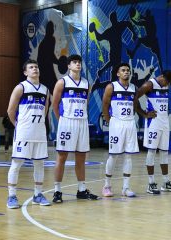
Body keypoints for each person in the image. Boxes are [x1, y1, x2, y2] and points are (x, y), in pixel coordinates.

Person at [52, 54, 98, 202]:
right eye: (74, 62)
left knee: (81, 158)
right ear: (68, 65)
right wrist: (62, 120)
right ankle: (57, 191)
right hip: (67, 122)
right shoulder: (62, 82)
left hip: (82, 122)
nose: (77, 64)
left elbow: (86, 103)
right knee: (62, 156)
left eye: (79, 62)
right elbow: (55, 104)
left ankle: (81, 189)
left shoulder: (86, 83)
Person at [6, 59, 50, 208]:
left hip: (39, 132)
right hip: (24, 132)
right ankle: (12, 196)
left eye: (36, 67)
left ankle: (38, 194)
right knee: (17, 163)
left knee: (39, 163)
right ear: (25, 72)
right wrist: (17, 125)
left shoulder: (45, 89)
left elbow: (45, 112)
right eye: (31, 67)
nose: (35, 69)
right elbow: (10, 110)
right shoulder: (21, 87)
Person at [134, 70, 171, 194]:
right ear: (162, 77)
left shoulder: (165, 84)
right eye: (167, 81)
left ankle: (165, 182)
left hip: (164, 122)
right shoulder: (149, 84)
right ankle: (151, 183)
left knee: (165, 152)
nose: (167, 84)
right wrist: (144, 113)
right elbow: (134, 97)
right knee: (152, 151)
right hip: (153, 123)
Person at [101, 63, 139, 198]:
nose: (126, 72)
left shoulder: (134, 88)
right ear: (118, 73)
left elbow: (135, 105)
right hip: (116, 123)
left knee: (128, 156)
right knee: (114, 155)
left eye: (128, 70)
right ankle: (107, 185)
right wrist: (109, 120)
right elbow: (105, 105)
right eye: (123, 70)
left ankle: (126, 187)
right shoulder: (112, 86)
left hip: (130, 123)